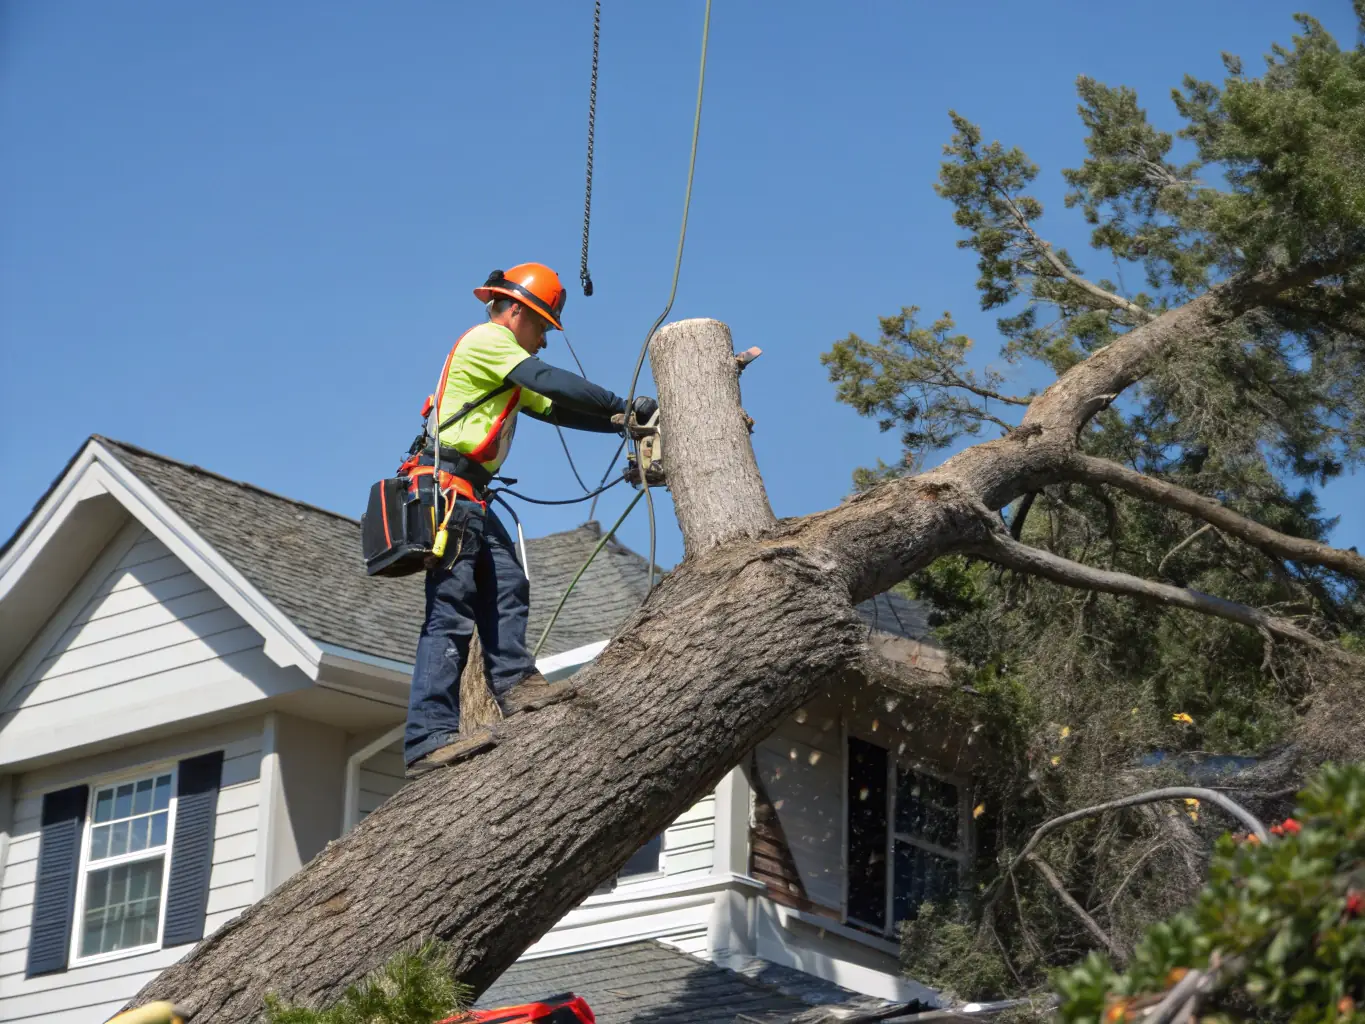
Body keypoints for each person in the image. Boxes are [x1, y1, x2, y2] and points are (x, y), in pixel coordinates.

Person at [404, 263, 657, 779]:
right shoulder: (487, 340)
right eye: (541, 327)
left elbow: (556, 408)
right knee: (451, 611)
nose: (542, 342)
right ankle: (428, 736)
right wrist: (622, 404)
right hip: (449, 489)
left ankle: (516, 685)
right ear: (516, 310)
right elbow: (547, 380)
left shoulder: (507, 361)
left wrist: (621, 424)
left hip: (470, 494)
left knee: (507, 583)